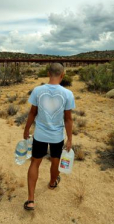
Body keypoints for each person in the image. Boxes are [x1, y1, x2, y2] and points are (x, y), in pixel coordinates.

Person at [23, 63, 75, 211]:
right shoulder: (67, 94)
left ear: (48, 73)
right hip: (57, 136)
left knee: (35, 162)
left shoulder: (37, 91)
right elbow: (68, 119)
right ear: (62, 75)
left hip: (40, 134)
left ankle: (31, 200)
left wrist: (26, 129)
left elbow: (32, 113)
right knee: (55, 160)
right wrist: (70, 139)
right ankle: (52, 183)